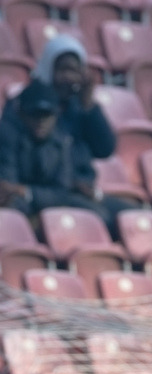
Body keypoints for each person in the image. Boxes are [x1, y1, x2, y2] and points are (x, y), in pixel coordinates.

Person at [0, 35, 132, 237]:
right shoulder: (25, 105)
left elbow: (105, 148)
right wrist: (27, 192)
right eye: (63, 70)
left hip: (80, 189)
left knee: (131, 217)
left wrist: (89, 106)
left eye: (74, 71)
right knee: (100, 220)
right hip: (47, 189)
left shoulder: (80, 106)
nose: (68, 78)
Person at [0, 79, 119, 230]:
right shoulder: (7, 137)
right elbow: (7, 189)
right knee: (11, 214)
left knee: (103, 217)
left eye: (47, 114)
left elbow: (62, 191)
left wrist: (27, 191)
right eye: (34, 114)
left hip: (48, 202)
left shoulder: (61, 140)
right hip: (21, 205)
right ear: (22, 114)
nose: (41, 121)